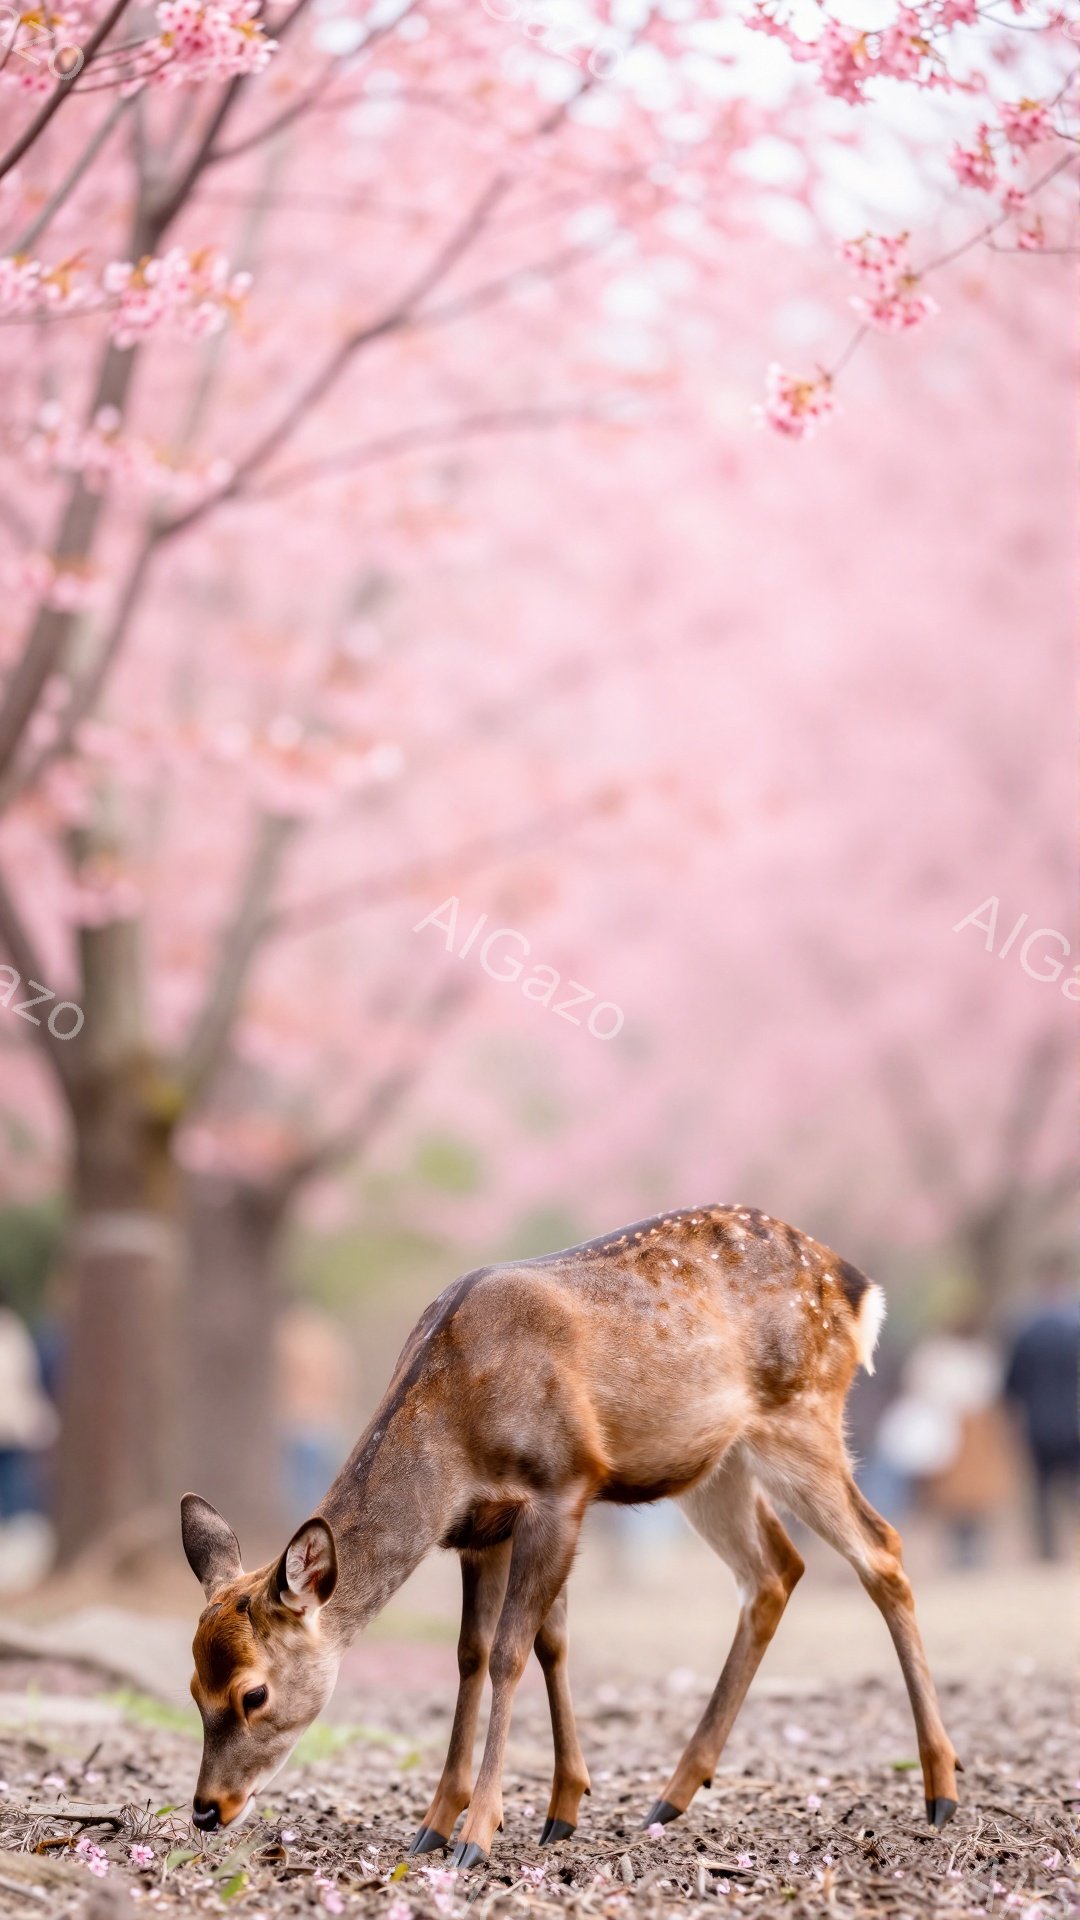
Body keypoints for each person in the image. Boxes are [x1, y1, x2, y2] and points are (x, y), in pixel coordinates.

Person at [1003, 1264, 1079, 1562]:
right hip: (1074, 1420)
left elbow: (1011, 1383)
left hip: (1038, 1423)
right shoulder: (1075, 1326)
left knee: (1042, 1492)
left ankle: (1048, 1553)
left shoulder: (1026, 1330)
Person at [0, 1285, 58, 1519]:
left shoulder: (9, 1329)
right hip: (13, 1426)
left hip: (12, 1430)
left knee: (17, 1500)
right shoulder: (12, 1329)